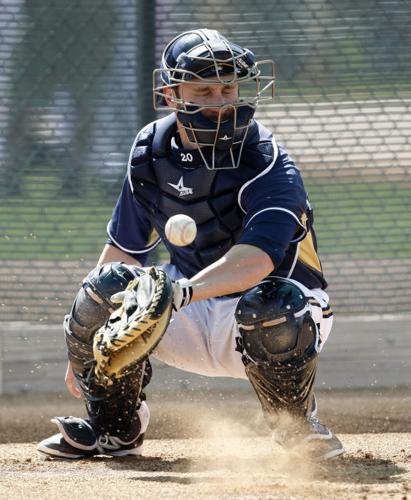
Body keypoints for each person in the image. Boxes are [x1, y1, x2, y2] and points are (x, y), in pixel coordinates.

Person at [38, 29, 344, 460]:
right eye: (204, 90)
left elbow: (257, 260)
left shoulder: (269, 162)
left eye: (228, 88)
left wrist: (179, 294)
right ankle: (115, 426)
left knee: (272, 304)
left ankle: (296, 424)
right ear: (170, 94)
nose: (221, 102)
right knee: (105, 286)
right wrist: (87, 343)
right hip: (188, 310)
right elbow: (124, 249)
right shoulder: (151, 151)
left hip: (274, 312)